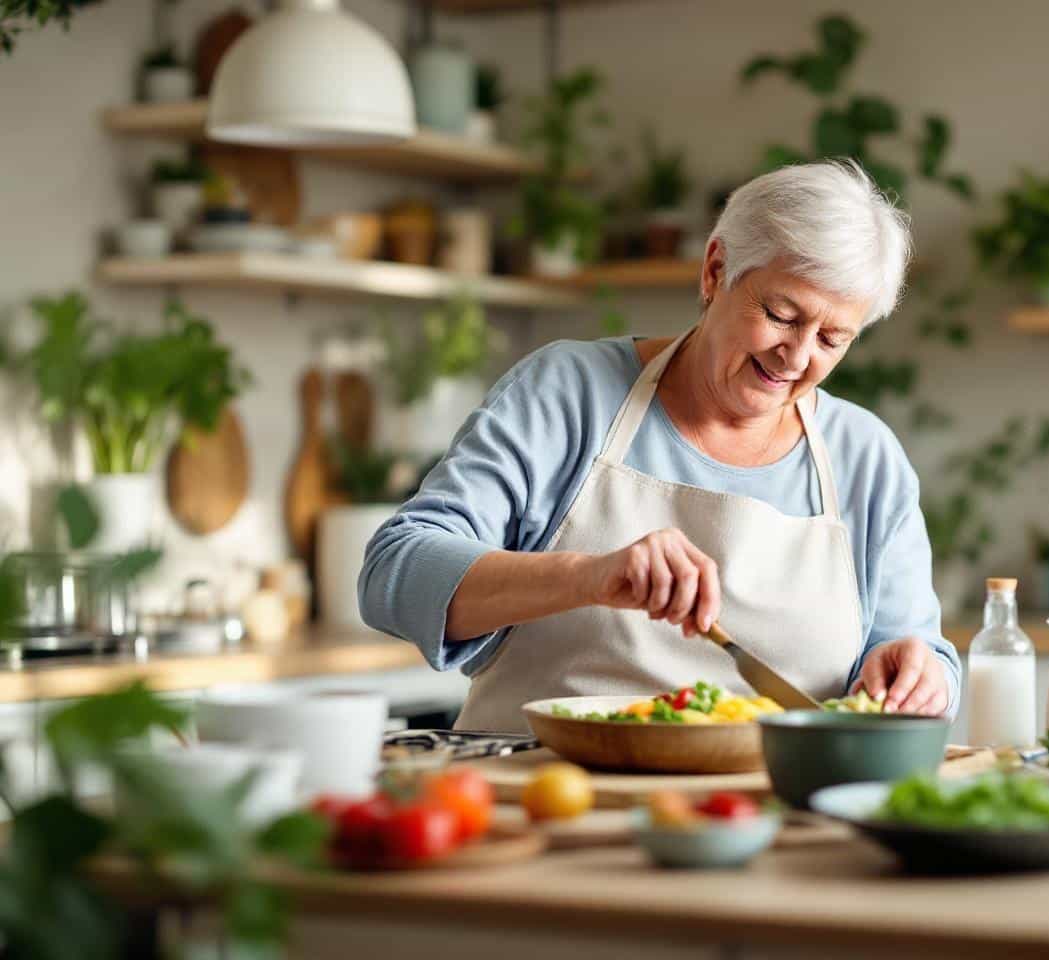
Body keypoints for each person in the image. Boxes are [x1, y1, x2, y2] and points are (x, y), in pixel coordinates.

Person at [360, 160, 961, 732]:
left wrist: (919, 675)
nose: (799, 356)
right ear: (715, 271)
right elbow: (396, 572)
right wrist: (587, 576)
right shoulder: (568, 394)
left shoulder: (865, 457)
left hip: (766, 811)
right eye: (781, 314)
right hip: (542, 792)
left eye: (833, 338)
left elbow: (919, 651)